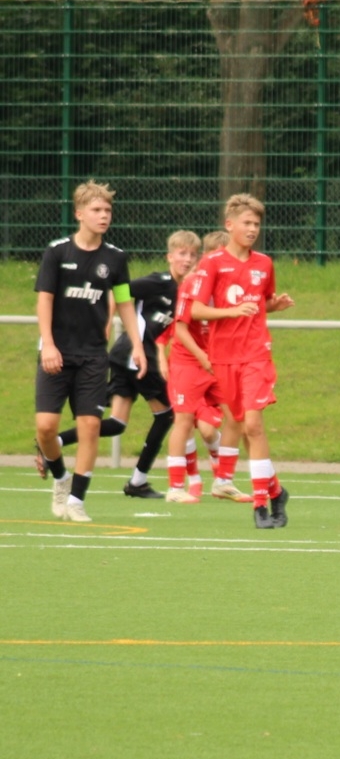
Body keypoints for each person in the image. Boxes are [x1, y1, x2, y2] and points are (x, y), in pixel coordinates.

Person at [44, 230, 202, 500]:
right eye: (182, 253)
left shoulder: (184, 292)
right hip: (136, 355)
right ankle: (138, 481)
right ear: (170, 257)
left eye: (192, 255)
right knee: (169, 414)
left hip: (126, 356)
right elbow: (118, 292)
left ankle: (52, 443)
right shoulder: (158, 282)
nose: (187, 260)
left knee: (117, 423)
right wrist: (106, 323)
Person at [33, 180, 148, 523]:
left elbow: (125, 302)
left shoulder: (115, 258)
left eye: (108, 210)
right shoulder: (57, 252)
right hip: (57, 353)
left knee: (90, 425)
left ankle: (77, 501)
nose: (104, 215)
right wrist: (48, 343)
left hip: (94, 356)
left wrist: (138, 345)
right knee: (46, 427)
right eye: (97, 210)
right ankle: (60, 478)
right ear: (79, 213)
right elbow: (44, 300)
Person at [185, 194, 294, 528]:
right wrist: (232, 311)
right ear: (229, 225)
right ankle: (276, 491)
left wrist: (275, 306)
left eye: (257, 224)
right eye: (247, 223)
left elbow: (261, 303)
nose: (252, 229)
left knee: (253, 424)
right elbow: (195, 310)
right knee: (240, 422)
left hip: (256, 354)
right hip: (223, 357)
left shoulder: (264, 264)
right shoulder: (212, 263)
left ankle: (260, 506)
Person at [160, 230, 238, 504]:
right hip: (189, 362)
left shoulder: (230, 284)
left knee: (236, 416)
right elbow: (180, 328)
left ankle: (224, 481)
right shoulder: (193, 282)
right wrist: (202, 357)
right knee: (183, 421)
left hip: (217, 361)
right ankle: (176, 487)